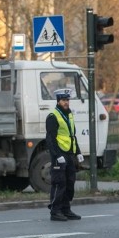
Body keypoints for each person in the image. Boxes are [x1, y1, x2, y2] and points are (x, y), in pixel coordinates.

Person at [46, 88, 83, 221]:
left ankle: (66, 209)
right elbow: (50, 138)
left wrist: (78, 152)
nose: (66, 102)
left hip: (69, 153)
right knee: (59, 183)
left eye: (67, 100)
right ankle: (55, 211)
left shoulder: (69, 115)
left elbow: (72, 135)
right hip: (59, 154)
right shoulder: (53, 116)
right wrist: (56, 155)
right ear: (58, 101)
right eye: (63, 100)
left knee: (70, 182)